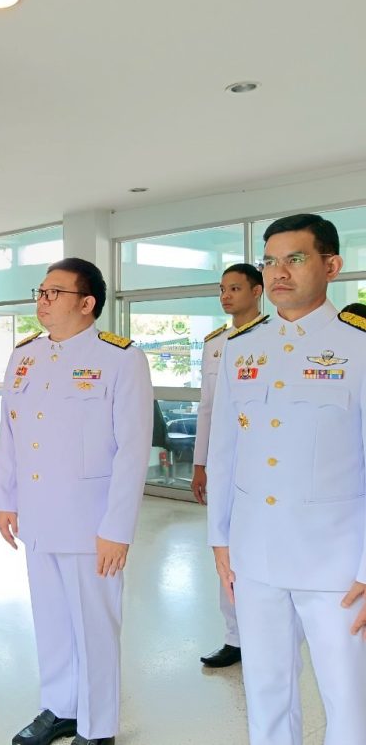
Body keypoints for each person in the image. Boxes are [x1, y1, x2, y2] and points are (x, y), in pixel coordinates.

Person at [207, 213, 366, 745]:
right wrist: (220, 538)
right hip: (255, 557)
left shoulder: (359, 346)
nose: (278, 272)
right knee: (266, 692)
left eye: (294, 259)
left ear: (332, 266)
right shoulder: (241, 347)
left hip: (337, 565)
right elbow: (225, 451)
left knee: (349, 702)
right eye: (270, 261)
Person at [0, 258, 152, 745]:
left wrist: (117, 529)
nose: (42, 300)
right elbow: (11, 435)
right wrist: (6, 500)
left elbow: (133, 450)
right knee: (52, 621)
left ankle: (97, 725)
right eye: (40, 291)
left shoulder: (120, 358)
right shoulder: (25, 356)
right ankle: (60, 707)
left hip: (91, 523)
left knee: (94, 626)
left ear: (87, 303)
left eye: (54, 292)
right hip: (38, 518)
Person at [191, 264, 264, 668]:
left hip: (261, 460)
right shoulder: (215, 344)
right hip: (224, 462)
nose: (226, 296)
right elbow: (208, 409)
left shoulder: (273, 337)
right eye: (222, 289)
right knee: (224, 546)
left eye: (235, 288)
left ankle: (269, 632)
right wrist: (200, 463)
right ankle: (235, 637)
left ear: (257, 291)